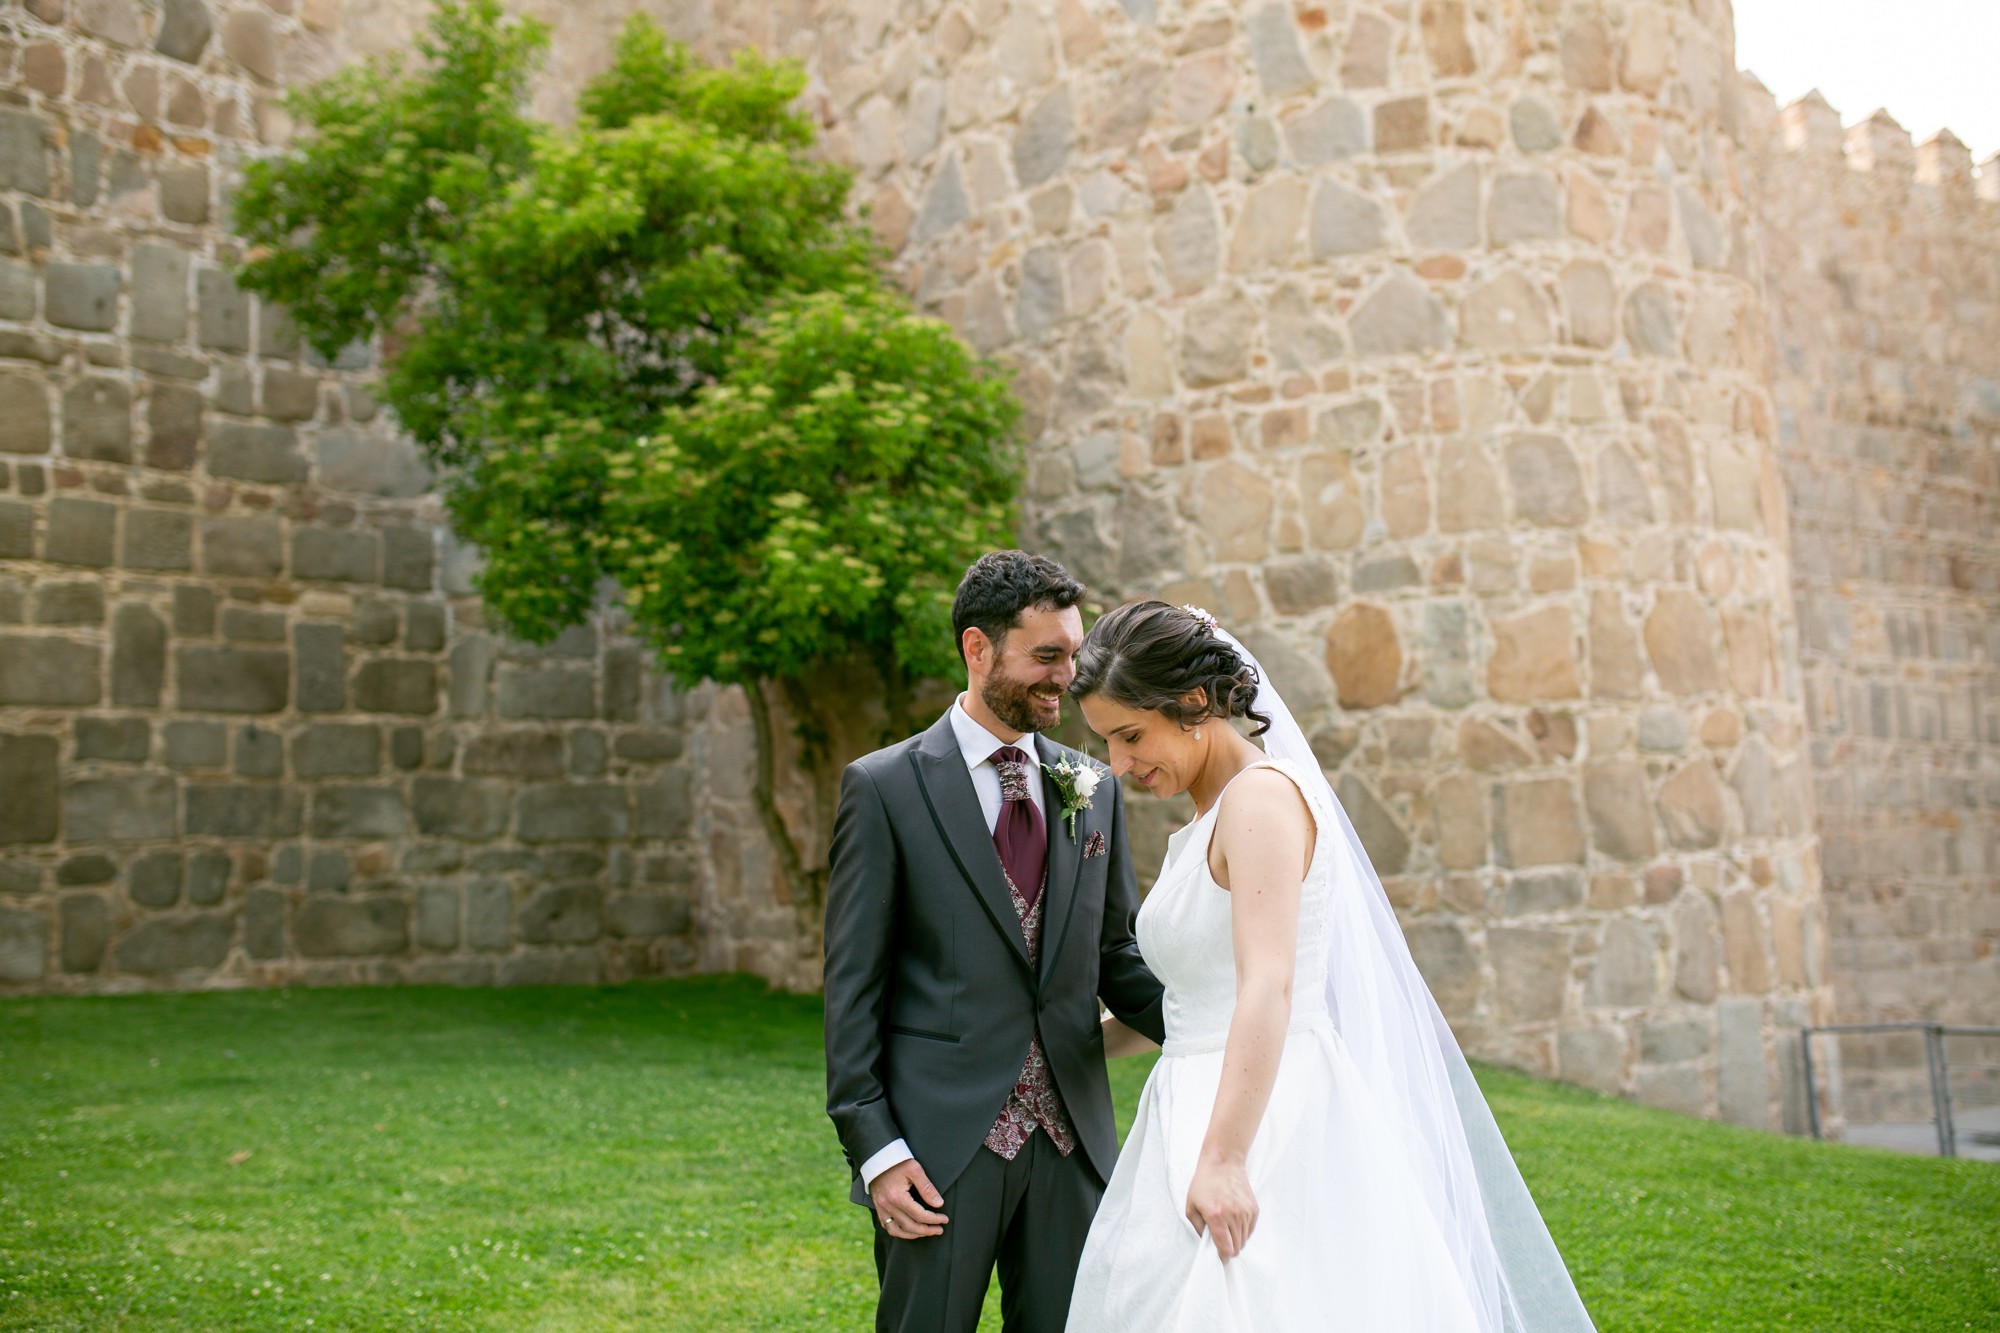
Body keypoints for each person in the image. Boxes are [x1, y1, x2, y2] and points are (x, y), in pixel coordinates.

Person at [1065, 600, 1596, 1332]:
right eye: (1107, 742)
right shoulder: (1206, 815)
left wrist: (1224, 1157)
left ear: (1192, 704)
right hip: (1188, 1103)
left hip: (1269, 1121)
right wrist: (1062, 1043)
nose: (1118, 765)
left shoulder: (1260, 801)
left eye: (1129, 736)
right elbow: (1196, 1002)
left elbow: (1267, 983)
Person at [823, 551, 1167, 1333]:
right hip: (937, 1154)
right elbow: (852, 989)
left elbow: (1115, 956)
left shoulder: (1094, 785)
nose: (1067, 676)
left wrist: (1213, 1012)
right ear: (978, 649)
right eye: (1047, 656)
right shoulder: (884, 788)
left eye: (1073, 653)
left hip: (1071, 1145)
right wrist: (877, 1151)